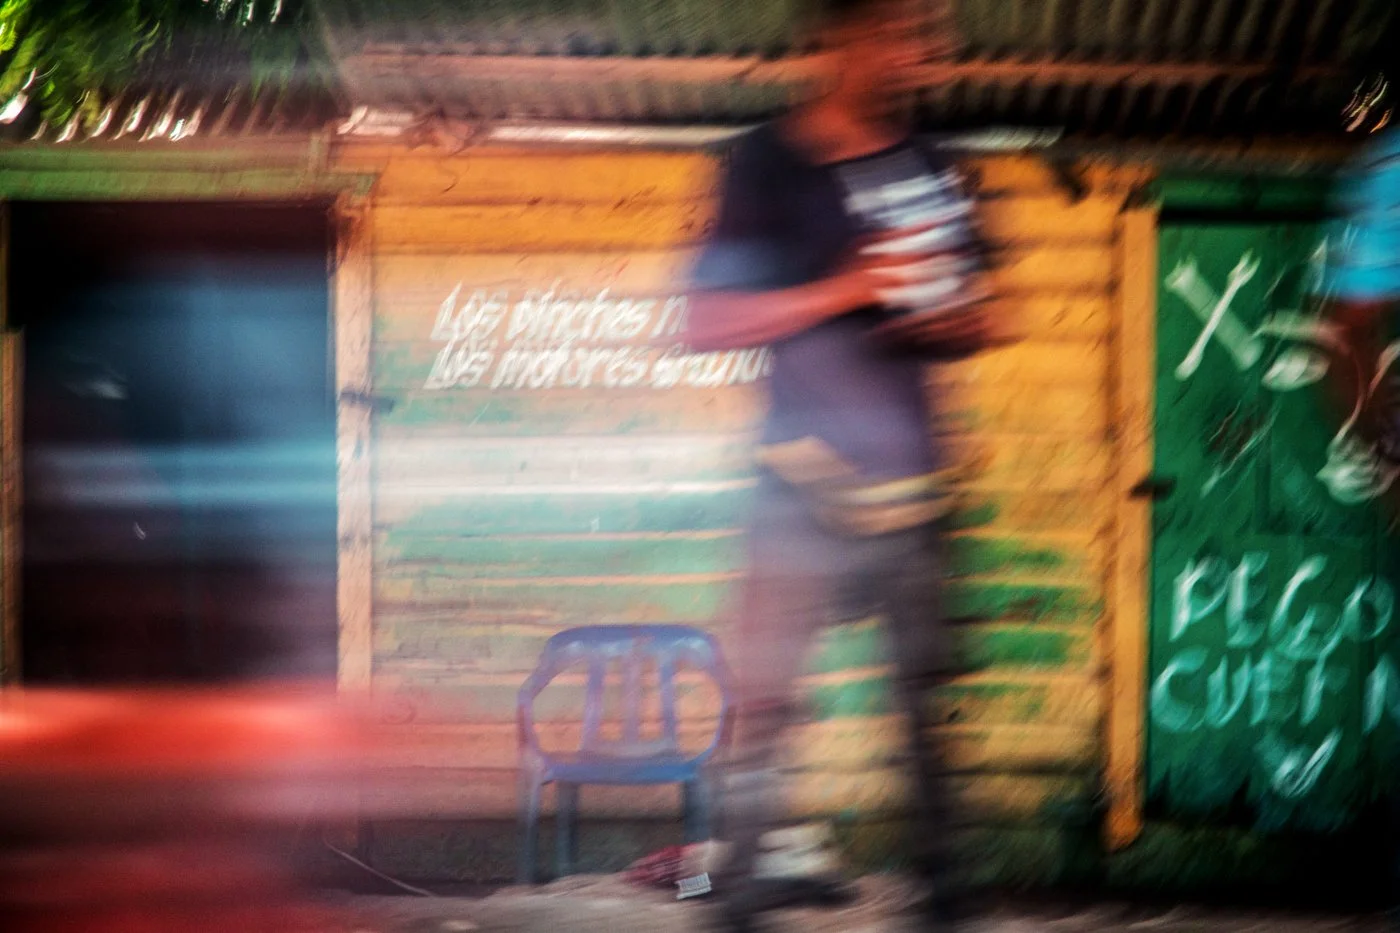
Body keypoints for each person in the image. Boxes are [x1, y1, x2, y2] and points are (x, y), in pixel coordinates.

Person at [684, 0, 999, 929]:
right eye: (896, 30)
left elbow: (988, 314)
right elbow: (702, 323)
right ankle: (731, 901)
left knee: (930, 729)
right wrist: (847, 287)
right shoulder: (764, 165)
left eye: (925, 34)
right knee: (766, 715)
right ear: (834, 39)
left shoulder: (938, 166)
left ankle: (944, 905)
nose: (916, 51)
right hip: (797, 489)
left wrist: (940, 315)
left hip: (917, 496)